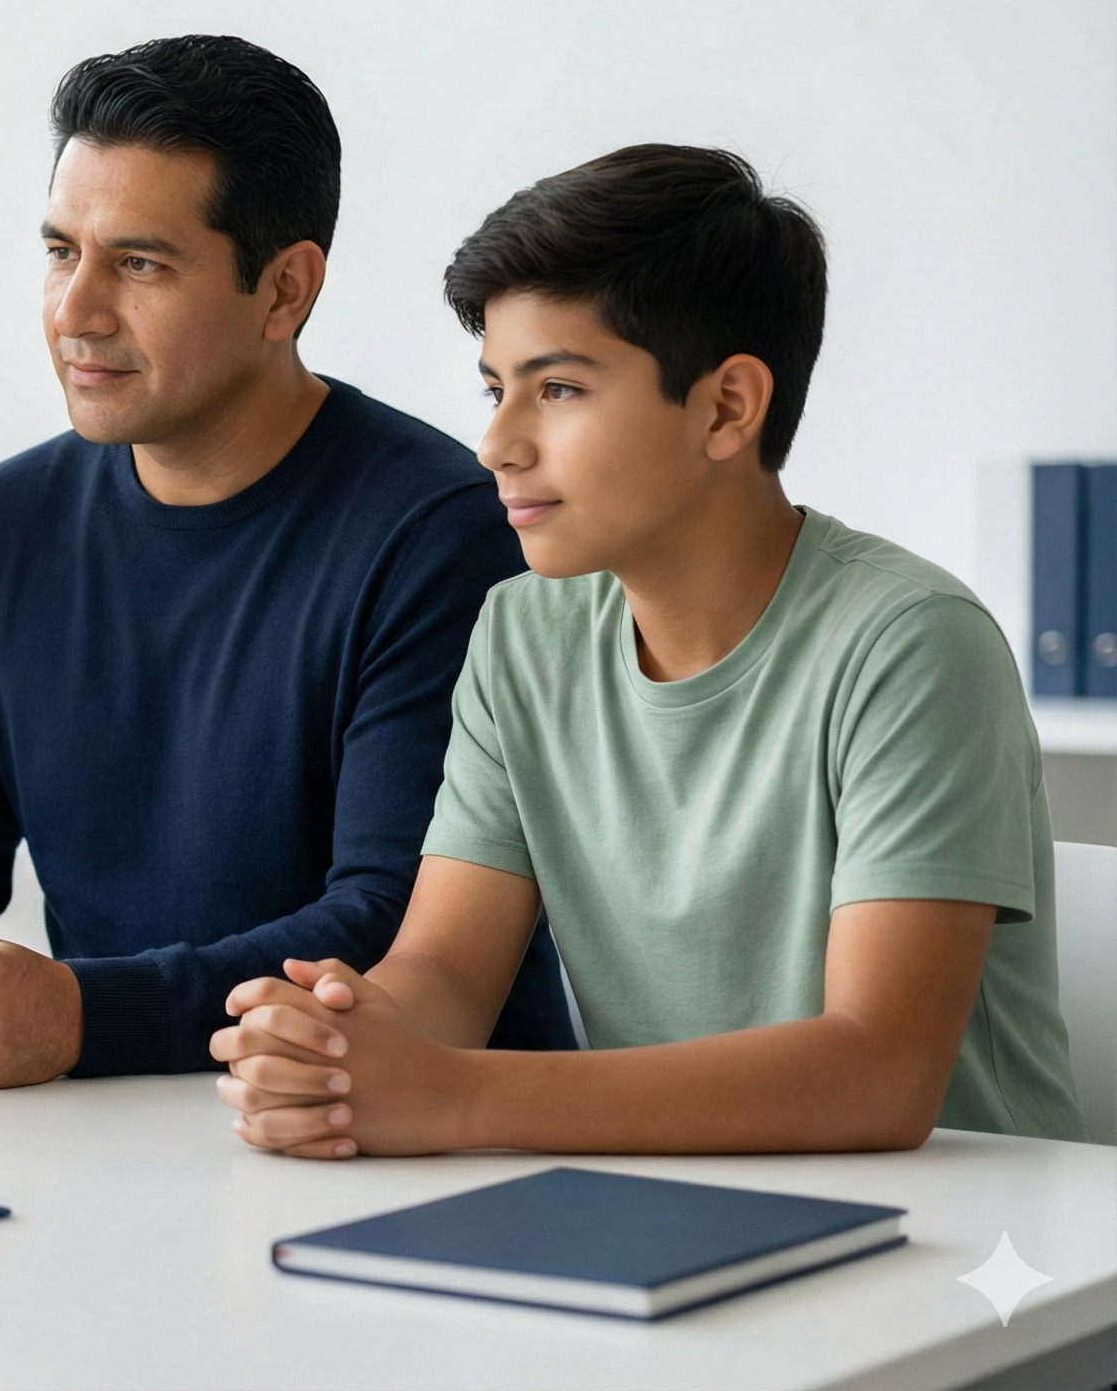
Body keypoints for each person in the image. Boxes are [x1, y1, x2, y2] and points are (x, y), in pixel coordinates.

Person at [215, 145, 1084, 1156]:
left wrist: (452, 1096)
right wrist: (338, 1042)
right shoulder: (519, 635)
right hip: (678, 1213)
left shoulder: (910, 644)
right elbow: (445, 973)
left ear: (726, 407)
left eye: (558, 391)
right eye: (493, 388)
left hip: (967, 1256)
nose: (498, 443)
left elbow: (876, 1072)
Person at [0, 36, 575, 1088]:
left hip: (397, 1131)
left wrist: (88, 1014)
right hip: (111, 1125)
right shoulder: (1, 525)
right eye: (59, 252)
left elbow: (396, 924)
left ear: (283, 291)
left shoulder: (440, 531)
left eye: (138, 264)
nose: (74, 313)